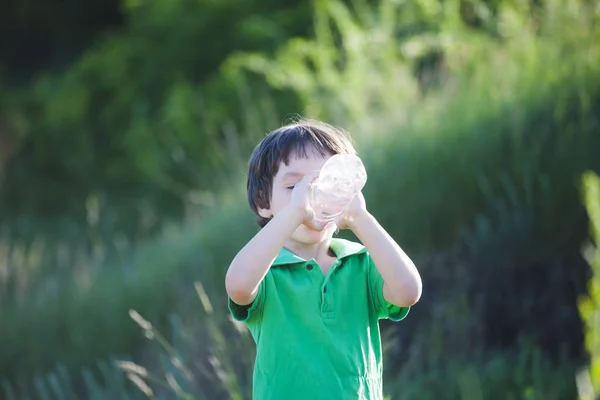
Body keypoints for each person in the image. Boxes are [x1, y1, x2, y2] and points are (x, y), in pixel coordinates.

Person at [225, 118, 422, 400]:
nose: (310, 198)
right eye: (294, 188)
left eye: (326, 184)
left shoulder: (362, 264)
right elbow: (238, 286)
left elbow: (408, 291)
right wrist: (294, 214)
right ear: (262, 201)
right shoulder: (265, 271)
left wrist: (360, 218)